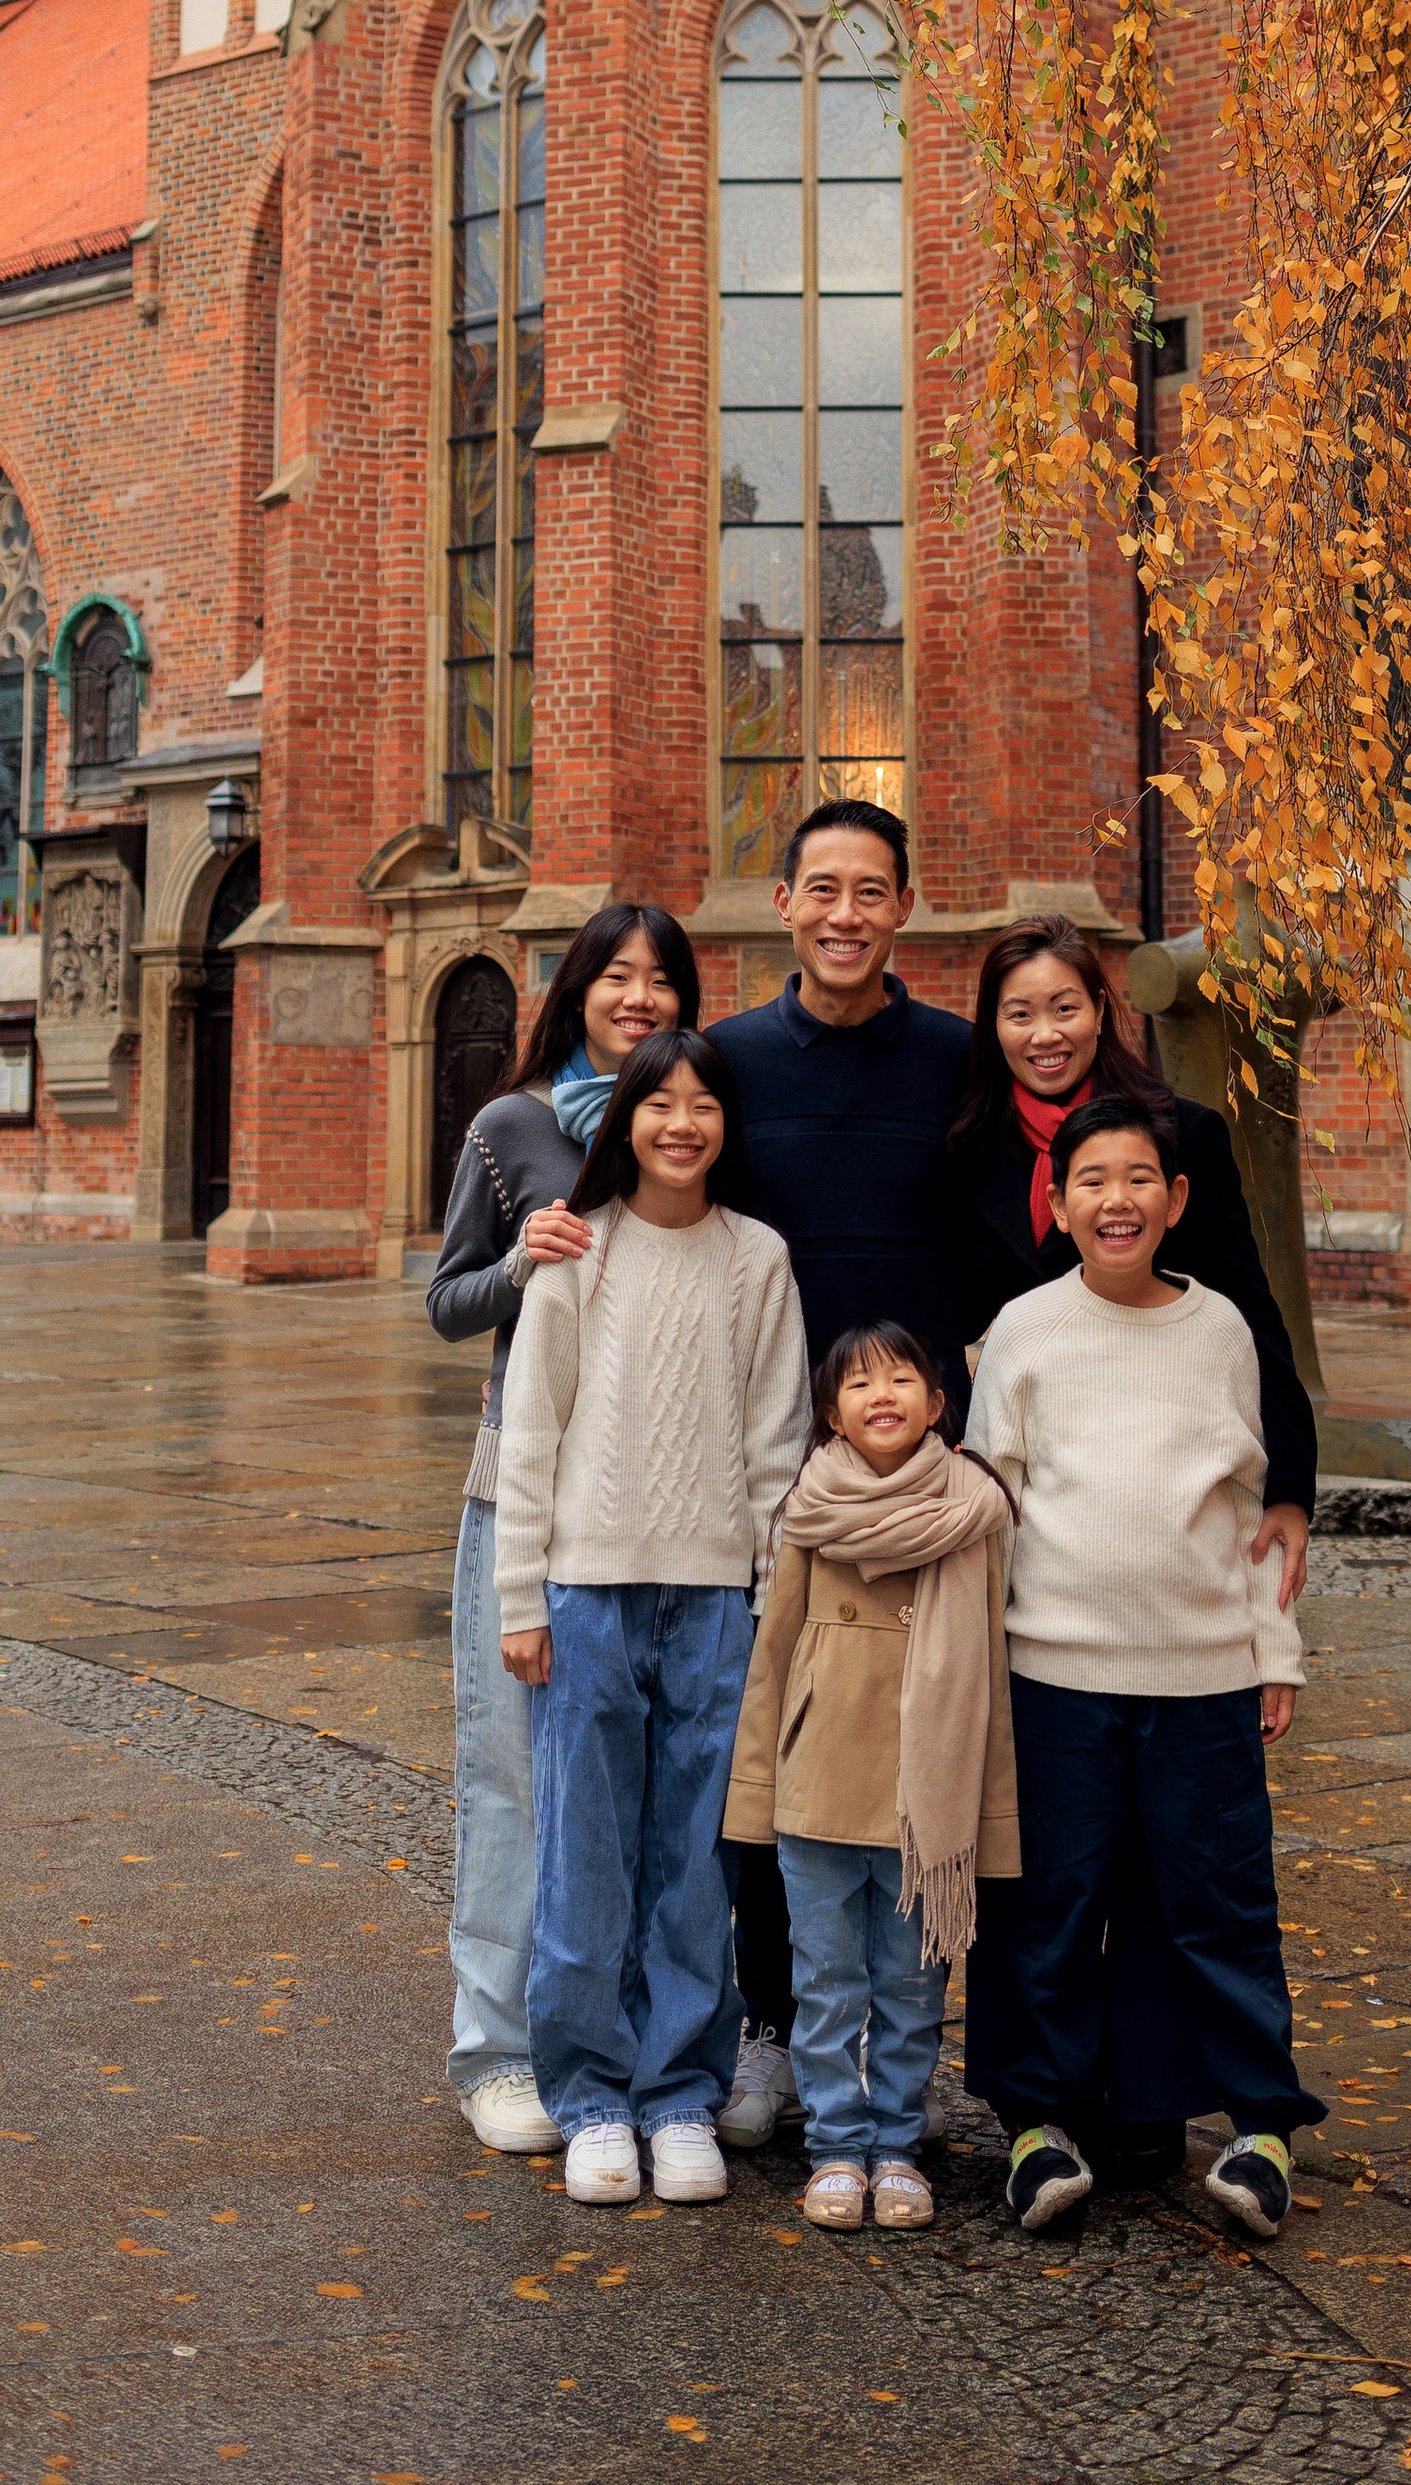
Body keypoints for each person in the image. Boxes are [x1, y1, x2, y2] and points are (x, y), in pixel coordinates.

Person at [945, 911, 1318, 2181]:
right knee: (1048, 1893)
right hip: (1058, 1638)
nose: (1044, 1032)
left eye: (1066, 1006)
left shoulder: (1183, 1158)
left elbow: (1255, 1364)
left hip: (1192, 1642)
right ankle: (1039, 2109)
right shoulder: (971, 1154)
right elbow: (990, 1470)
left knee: (1199, 1893)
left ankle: (1178, 2106)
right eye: (1018, 1011)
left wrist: (1290, 1524)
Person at [495, 1027, 810, 2209]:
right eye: (658, 1103)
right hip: (586, 1589)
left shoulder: (756, 1260)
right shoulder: (580, 1252)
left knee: (694, 1864)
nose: (681, 1124)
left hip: (715, 1596)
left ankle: (678, 2091)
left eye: (702, 1106)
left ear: (727, 1124)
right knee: (585, 1859)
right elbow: (533, 1429)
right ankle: (587, 2096)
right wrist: (522, 1596)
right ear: (623, 1117)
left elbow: (777, 1446)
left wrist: (771, 1599)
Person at [706, 794, 971, 2145]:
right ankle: (768, 2029)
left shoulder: (958, 1061)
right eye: (824, 889)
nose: (847, 914)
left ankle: (904, 2050)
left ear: (903, 909)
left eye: (872, 891)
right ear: (786, 905)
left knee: (925, 1758)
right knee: (783, 1761)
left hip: (929, 1476)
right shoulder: (733, 1058)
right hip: (784, 1475)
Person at [425, 903, 700, 2154]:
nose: (637, 998)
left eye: (660, 981)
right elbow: (445, 1303)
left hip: (655, 1503)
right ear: (577, 988)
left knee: (637, 1794)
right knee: (506, 1779)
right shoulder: (512, 1124)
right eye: (616, 977)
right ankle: (495, 2052)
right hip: (521, 1487)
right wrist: (525, 1262)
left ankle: (631, 2043)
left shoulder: (693, 1126)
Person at [722, 1321, 1019, 2234]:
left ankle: (896, 2144)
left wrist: (993, 1813)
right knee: (825, 1983)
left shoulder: (974, 1506)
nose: (881, 1394)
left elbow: (993, 1669)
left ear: (938, 1405)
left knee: (910, 1985)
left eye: (902, 1379)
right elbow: (774, 1655)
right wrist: (757, 1791)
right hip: (820, 1781)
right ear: (829, 1414)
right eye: (858, 1384)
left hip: (926, 1796)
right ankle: (835, 2149)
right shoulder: (809, 1505)